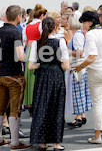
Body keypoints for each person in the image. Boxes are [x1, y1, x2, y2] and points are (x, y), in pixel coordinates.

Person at [0, 5, 32, 150]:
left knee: (0, 107)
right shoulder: (16, 32)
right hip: (15, 76)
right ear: (18, 16)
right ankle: (14, 142)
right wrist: (29, 57)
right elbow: (20, 55)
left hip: (2, 75)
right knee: (15, 109)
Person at [75, 11, 102, 144]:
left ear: (90, 22)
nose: (83, 25)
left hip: (97, 71)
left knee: (98, 103)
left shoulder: (90, 34)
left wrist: (80, 67)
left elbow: (92, 56)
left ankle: (97, 135)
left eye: (84, 22)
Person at [29, 17, 69, 151]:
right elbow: (66, 65)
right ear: (55, 28)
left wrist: (42, 64)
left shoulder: (37, 43)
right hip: (56, 75)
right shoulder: (60, 42)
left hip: (42, 76)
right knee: (56, 108)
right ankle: (57, 143)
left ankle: (42, 143)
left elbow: (30, 66)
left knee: (42, 107)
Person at [66, 14, 92, 128]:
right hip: (82, 66)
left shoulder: (77, 35)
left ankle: (78, 117)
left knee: (77, 92)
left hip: (77, 66)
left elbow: (79, 52)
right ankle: (82, 115)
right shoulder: (81, 34)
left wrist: (66, 50)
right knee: (81, 92)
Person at [23, 4, 47, 113]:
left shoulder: (27, 26)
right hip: (38, 52)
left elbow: (25, 41)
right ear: (42, 15)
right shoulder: (41, 25)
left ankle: (30, 102)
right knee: (38, 79)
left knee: (30, 78)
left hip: (29, 52)